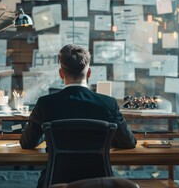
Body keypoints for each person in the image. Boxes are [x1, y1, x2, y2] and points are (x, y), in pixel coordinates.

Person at [20, 44, 136, 188]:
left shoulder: (46, 103)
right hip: (98, 183)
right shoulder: (108, 104)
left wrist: (48, 134)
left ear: (61, 73)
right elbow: (128, 142)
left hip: (55, 182)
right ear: (89, 73)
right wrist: (105, 140)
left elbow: (27, 143)